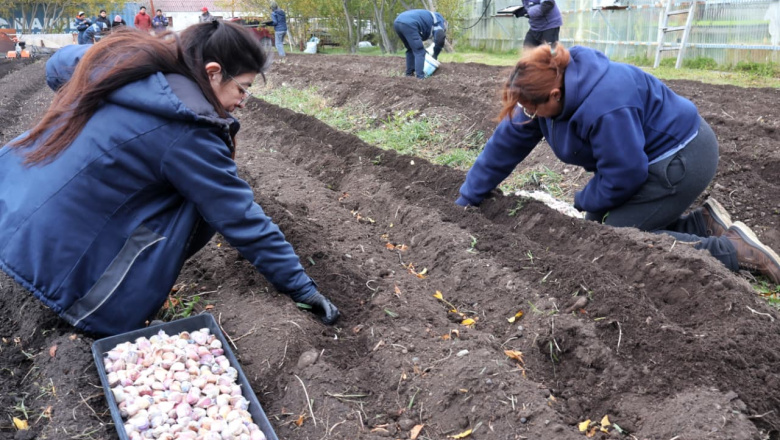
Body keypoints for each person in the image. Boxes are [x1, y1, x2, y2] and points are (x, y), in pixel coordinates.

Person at [0, 21, 340, 336]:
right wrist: (301, 288)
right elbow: (239, 216)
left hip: (13, 203)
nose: (244, 101)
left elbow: (59, 64)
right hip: (52, 257)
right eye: (243, 88)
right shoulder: (189, 130)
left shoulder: (133, 70)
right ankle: (95, 304)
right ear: (213, 72)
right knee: (191, 203)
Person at [456, 44, 780, 284]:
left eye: (531, 110)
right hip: (641, 160)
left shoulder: (604, 104)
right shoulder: (540, 94)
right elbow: (504, 146)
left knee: (617, 238)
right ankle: (701, 225)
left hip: (681, 157)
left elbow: (626, 173)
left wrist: (585, 201)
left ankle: (735, 251)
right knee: (601, 228)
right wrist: (466, 200)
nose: (527, 115)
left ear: (554, 95)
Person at [393, 9, 447, 79]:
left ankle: (409, 74)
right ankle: (420, 77)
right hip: (409, 23)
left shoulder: (430, 18)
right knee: (420, 52)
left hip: (397, 22)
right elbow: (440, 39)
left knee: (411, 49)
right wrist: (435, 56)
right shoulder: (439, 22)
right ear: (445, 24)